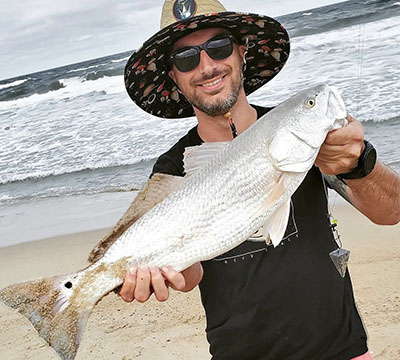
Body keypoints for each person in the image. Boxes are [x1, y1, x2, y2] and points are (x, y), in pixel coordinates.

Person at [117, 0, 400, 358]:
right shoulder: (174, 168)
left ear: (241, 52)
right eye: (186, 58)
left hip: (342, 349)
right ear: (174, 76)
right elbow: (189, 274)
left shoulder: (299, 129)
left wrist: (358, 164)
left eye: (218, 47)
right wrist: (157, 271)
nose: (206, 67)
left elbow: (391, 212)